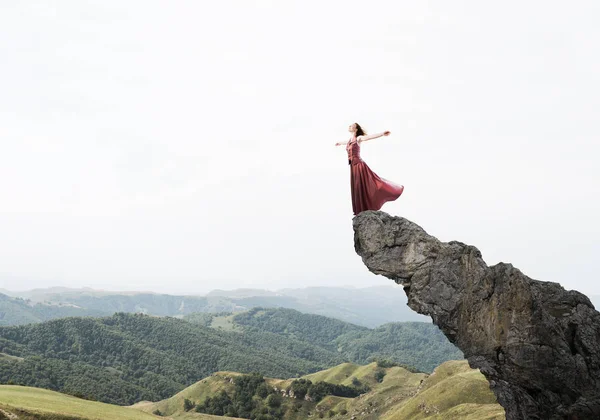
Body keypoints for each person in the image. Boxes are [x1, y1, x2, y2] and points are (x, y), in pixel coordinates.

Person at [335, 123, 404, 215]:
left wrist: (382, 134)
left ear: (355, 129)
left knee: (371, 183)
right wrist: (339, 143)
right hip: (353, 167)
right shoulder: (349, 141)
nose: (349, 126)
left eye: (351, 126)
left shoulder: (358, 138)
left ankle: (390, 191)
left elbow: (370, 137)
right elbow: (345, 143)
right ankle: (362, 209)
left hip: (359, 165)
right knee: (357, 187)